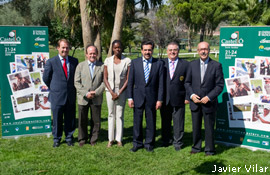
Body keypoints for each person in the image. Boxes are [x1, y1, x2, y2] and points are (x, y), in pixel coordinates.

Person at [185, 41, 224, 155]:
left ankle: (210, 149)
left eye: (205, 49)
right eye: (201, 49)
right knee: (196, 127)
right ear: (197, 51)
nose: (203, 51)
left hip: (209, 103)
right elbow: (187, 83)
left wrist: (209, 97)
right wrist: (192, 95)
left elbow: (220, 85)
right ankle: (196, 147)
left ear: (209, 50)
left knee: (209, 128)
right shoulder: (191, 65)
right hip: (195, 103)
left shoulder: (216, 66)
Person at [127, 40, 164, 152]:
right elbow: (130, 82)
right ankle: (137, 143)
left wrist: (159, 99)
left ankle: (149, 144)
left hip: (152, 98)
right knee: (137, 122)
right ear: (142, 50)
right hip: (137, 97)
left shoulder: (159, 63)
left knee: (151, 122)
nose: (147, 52)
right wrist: (130, 98)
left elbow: (161, 84)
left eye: (149, 50)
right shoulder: (134, 63)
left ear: (152, 50)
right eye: (145, 50)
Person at [43, 39, 78, 147]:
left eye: (67, 47)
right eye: (63, 47)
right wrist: (54, 87)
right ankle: (57, 139)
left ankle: (69, 137)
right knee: (57, 119)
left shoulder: (74, 61)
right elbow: (46, 78)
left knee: (70, 118)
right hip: (57, 95)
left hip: (70, 95)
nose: (65, 50)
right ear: (58, 48)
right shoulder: (51, 62)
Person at [160, 41, 190, 150]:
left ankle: (178, 142)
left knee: (178, 122)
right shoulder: (161, 63)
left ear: (178, 51)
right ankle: (166, 140)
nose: (173, 52)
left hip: (179, 98)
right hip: (165, 98)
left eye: (175, 50)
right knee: (165, 121)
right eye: (170, 50)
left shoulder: (186, 64)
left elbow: (188, 82)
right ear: (167, 51)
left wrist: (187, 97)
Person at [74, 45, 105, 147]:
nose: (92, 55)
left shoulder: (102, 66)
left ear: (97, 54)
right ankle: (82, 138)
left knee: (95, 120)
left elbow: (105, 82)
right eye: (90, 53)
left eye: (94, 53)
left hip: (96, 97)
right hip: (83, 98)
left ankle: (93, 138)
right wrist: (86, 93)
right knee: (82, 120)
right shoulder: (80, 66)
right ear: (86, 54)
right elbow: (76, 82)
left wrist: (96, 92)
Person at [104, 40, 131, 147]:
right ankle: (110, 139)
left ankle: (119, 139)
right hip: (109, 91)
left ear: (122, 48)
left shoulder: (127, 61)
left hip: (122, 91)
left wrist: (119, 92)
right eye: (115, 47)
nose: (117, 49)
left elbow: (128, 79)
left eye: (119, 47)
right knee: (111, 114)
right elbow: (105, 78)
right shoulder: (107, 60)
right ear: (112, 48)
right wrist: (111, 92)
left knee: (119, 115)